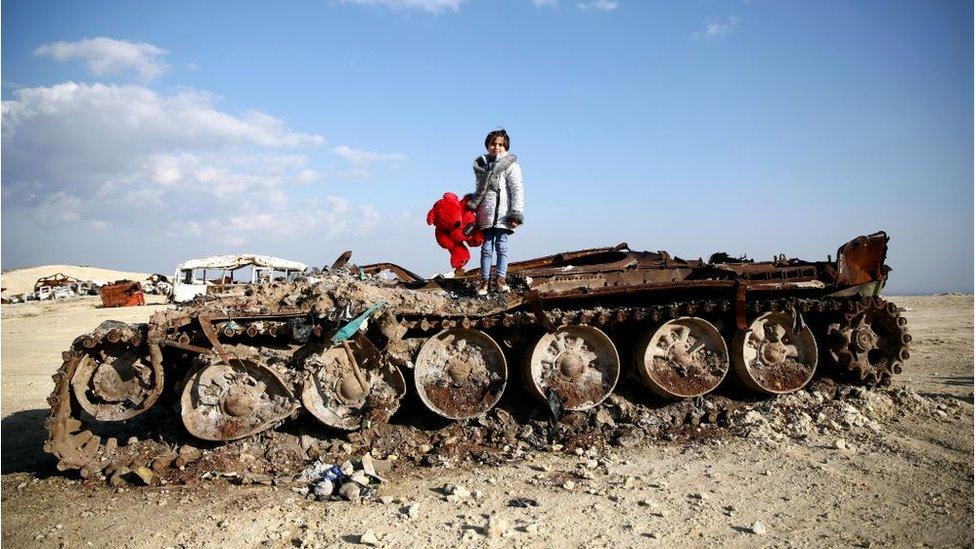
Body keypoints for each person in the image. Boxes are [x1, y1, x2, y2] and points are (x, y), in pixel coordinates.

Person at [467, 128, 524, 296]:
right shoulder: (482, 166)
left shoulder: (511, 166)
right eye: (493, 144)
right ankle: (484, 282)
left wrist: (515, 214)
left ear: (505, 146)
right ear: (488, 146)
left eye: (500, 144)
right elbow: (479, 191)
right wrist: (472, 209)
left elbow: (517, 190)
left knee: (502, 246)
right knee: (486, 249)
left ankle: (501, 280)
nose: (496, 147)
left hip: (504, 214)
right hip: (486, 214)